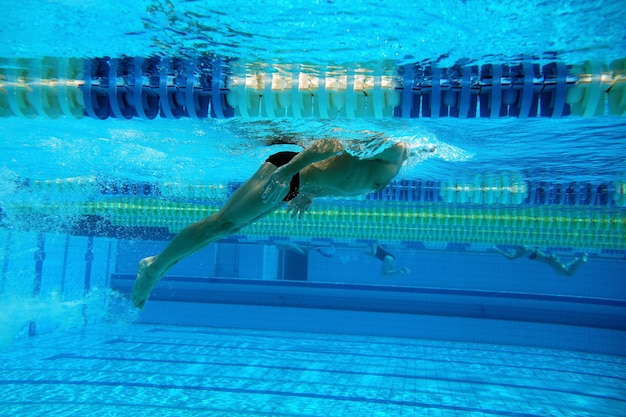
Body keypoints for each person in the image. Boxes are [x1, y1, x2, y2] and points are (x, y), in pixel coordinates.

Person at [132, 138, 421, 308]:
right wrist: (286, 174)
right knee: (223, 223)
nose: (426, 154)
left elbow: (342, 174)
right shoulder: (394, 149)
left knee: (231, 227)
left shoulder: (394, 167)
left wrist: (308, 194)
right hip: (288, 168)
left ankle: (161, 264)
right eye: (426, 150)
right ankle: (153, 266)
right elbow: (330, 144)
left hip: (297, 183)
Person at [493, 245, 588, 277]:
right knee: (561, 273)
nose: (515, 251)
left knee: (568, 274)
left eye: (516, 249)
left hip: (551, 260)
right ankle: (575, 260)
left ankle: (580, 259)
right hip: (551, 260)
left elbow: (511, 258)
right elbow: (512, 255)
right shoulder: (525, 250)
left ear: (519, 248)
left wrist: (499, 251)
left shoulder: (525, 251)